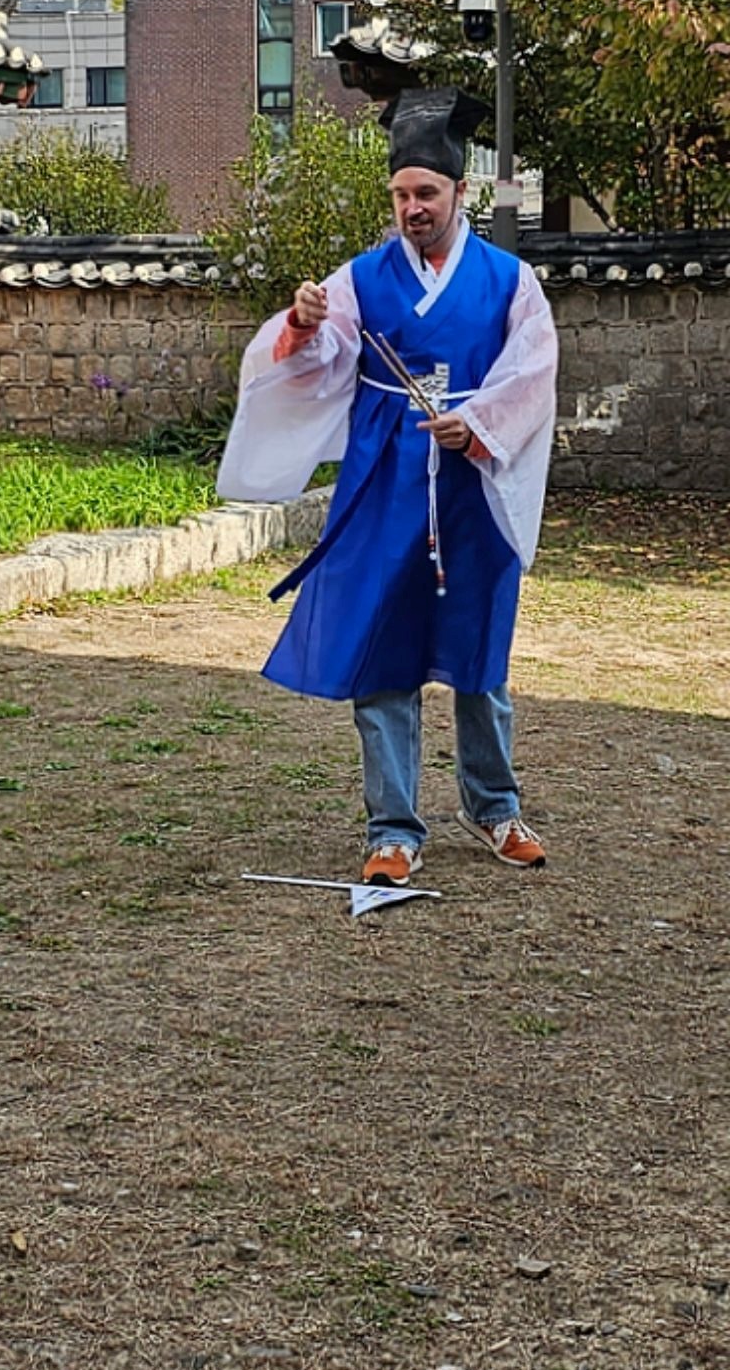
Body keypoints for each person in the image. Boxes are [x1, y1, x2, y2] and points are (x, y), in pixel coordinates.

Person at [219, 86, 559, 885]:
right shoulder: (361, 278)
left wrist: (476, 427)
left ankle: (496, 808)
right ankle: (394, 827)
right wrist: (302, 321)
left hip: (471, 483)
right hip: (384, 478)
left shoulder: (509, 280)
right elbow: (317, 358)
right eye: (402, 194)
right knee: (383, 654)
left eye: (427, 194)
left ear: (459, 193)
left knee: (479, 651)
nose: (413, 208)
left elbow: (533, 373)